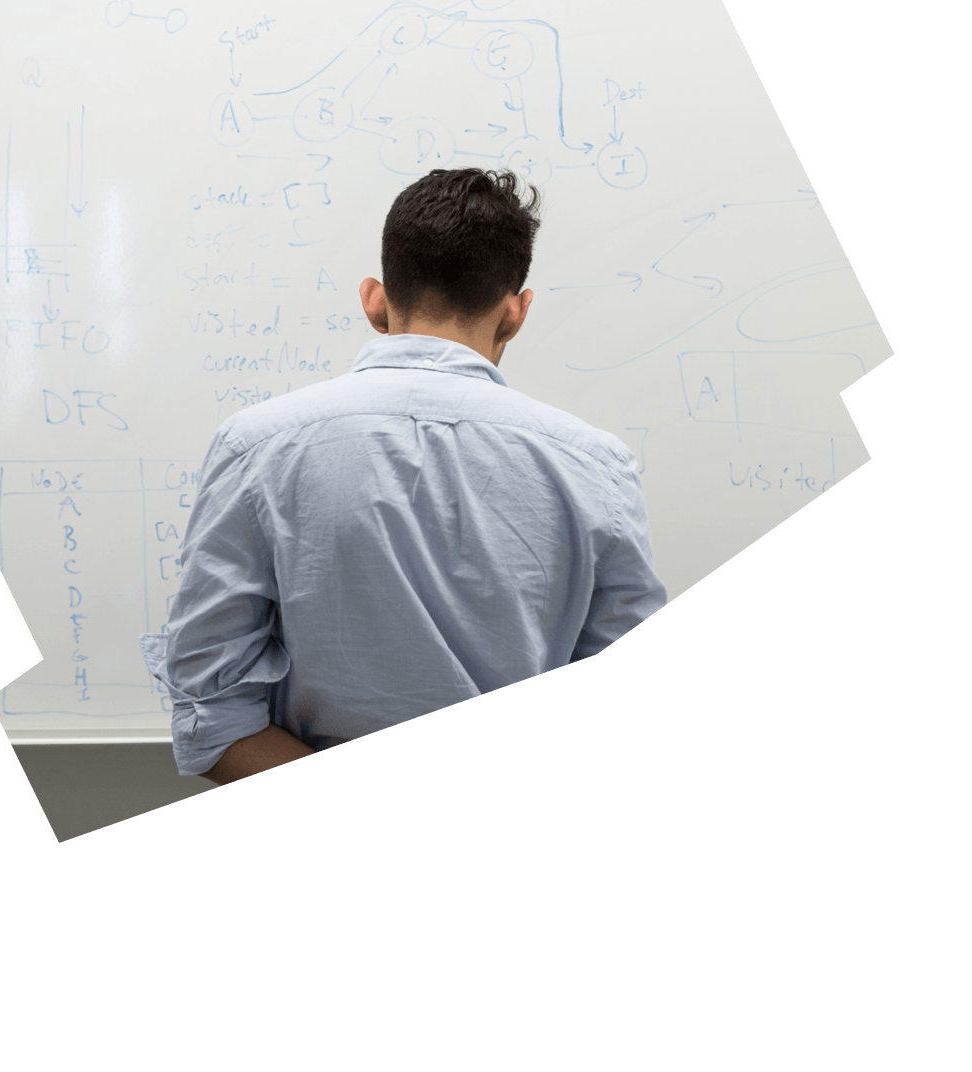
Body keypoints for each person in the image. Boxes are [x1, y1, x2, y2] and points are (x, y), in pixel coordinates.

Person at [139, 166, 668, 783]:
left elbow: (213, 712)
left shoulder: (257, 446)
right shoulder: (594, 466)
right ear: (514, 313)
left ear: (374, 298)